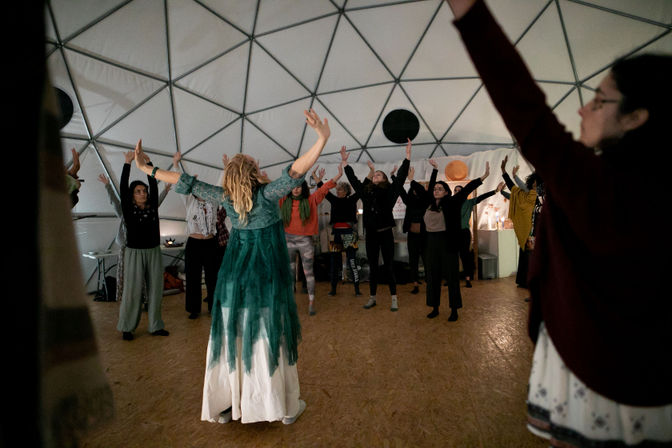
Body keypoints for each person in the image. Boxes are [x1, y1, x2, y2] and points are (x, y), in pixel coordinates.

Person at [448, 0, 672, 445]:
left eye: (599, 100)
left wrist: (469, 12)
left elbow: (523, 105)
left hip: (598, 370)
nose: (584, 109)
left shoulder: (598, 185)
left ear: (636, 117)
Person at [133, 109, 330, 425]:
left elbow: (186, 182)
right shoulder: (267, 196)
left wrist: (148, 168)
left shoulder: (224, 197)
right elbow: (296, 171)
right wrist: (322, 138)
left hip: (233, 281)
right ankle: (282, 407)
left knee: (233, 339)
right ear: (253, 173)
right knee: (269, 339)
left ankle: (229, 405)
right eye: (256, 164)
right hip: (266, 280)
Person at [342, 140, 411, 311]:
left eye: (379, 175)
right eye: (374, 175)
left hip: (386, 233)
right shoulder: (366, 192)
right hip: (371, 234)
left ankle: (394, 298)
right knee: (373, 267)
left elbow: (401, 176)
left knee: (388, 266)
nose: (375, 176)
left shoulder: (390, 191)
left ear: (385, 179)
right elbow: (354, 180)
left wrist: (407, 157)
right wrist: (345, 163)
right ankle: (372, 298)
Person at [421, 159, 489, 320]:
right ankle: (435, 307)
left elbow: (467, 190)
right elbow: (429, 187)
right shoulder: (429, 204)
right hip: (431, 244)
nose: (436, 190)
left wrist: (483, 177)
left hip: (447, 243)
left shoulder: (452, 202)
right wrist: (435, 170)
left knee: (452, 278)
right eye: (435, 189)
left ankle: (454, 310)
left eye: (440, 189)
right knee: (433, 277)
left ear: (446, 192)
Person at [116, 150, 169, 341]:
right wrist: (127, 163)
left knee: (156, 289)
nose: (143, 193)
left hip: (153, 251)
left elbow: (154, 186)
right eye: (138, 191)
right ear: (132, 196)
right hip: (134, 253)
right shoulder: (129, 209)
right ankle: (127, 327)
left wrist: (149, 164)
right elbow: (123, 188)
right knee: (133, 290)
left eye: (144, 191)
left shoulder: (152, 205)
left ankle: (156, 326)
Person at [280, 165, 340, 316]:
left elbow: (324, 189)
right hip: (287, 240)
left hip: (305, 241)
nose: (296, 189)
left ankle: (311, 301)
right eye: (293, 187)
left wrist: (338, 176)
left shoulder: (311, 200)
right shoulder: (283, 201)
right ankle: (290, 303)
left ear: (303, 188)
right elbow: (271, 192)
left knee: (308, 273)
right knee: (290, 272)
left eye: (299, 186)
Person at [172, 151, 220, 319]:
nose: (201, 191)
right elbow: (179, 182)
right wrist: (176, 164)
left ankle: (214, 307)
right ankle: (194, 309)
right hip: (194, 243)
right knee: (193, 277)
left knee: (213, 277)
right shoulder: (189, 201)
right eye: (198, 188)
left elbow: (222, 184)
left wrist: (227, 167)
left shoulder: (214, 201)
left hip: (210, 243)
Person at [319, 153, 361, 297]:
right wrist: (319, 180)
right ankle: (333, 289)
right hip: (336, 234)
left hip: (349, 233)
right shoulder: (334, 200)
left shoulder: (352, 199)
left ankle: (357, 289)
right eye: (337, 190)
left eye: (340, 190)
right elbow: (324, 191)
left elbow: (360, 189)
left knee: (352, 262)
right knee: (334, 263)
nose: (338, 192)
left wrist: (370, 173)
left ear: (347, 191)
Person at [500, 157, 543, 289]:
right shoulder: (528, 197)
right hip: (529, 231)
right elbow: (516, 190)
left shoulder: (541, 196)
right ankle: (525, 281)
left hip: (540, 231)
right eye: (533, 183)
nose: (535, 185)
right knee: (527, 256)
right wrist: (505, 172)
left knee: (535, 258)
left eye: (538, 183)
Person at [453, 181, 504, 287]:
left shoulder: (469, 202)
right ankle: (452, 279)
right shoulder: (450, 203)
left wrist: (495, 191)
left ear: (464, 193)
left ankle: (467, 279)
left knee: (465, 256)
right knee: (452, 257)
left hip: (464, 233)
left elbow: (481, 197)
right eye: (455, 190)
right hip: (452, 233)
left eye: (460, 190)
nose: (457, 192)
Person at [399, 166, 431, 294]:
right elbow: (400, 190)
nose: (415, 192)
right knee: (413, 260)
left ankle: (429, 282)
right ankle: (415, 284)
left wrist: (412, 179)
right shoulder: (409, 202)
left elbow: (421, 191)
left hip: (424, 235)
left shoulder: (425, 201)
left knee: (427, 259)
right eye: (413, 190)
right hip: (412, 236)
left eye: (417, 190)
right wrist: (394, 177)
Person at [97, 173, 127, 302]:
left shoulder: (141, 211)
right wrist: (108, 186)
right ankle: (125, 298)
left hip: (137, 249)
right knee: (125, 274)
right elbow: (115, 202)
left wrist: (165, 191)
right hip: (126, 248)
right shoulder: (123, 213)